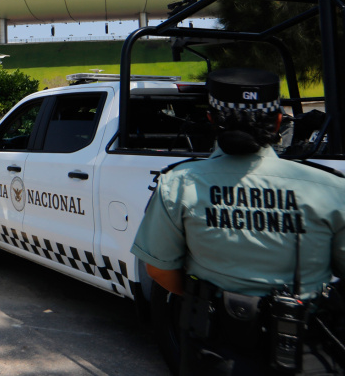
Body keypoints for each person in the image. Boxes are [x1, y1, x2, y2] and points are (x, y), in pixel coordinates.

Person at [131, 68, 345, 375]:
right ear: (279, 122)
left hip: (214, 350)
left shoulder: (178, 184)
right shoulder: (331, 188)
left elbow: (160, 270)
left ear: (211, 121)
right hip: (304, 350)